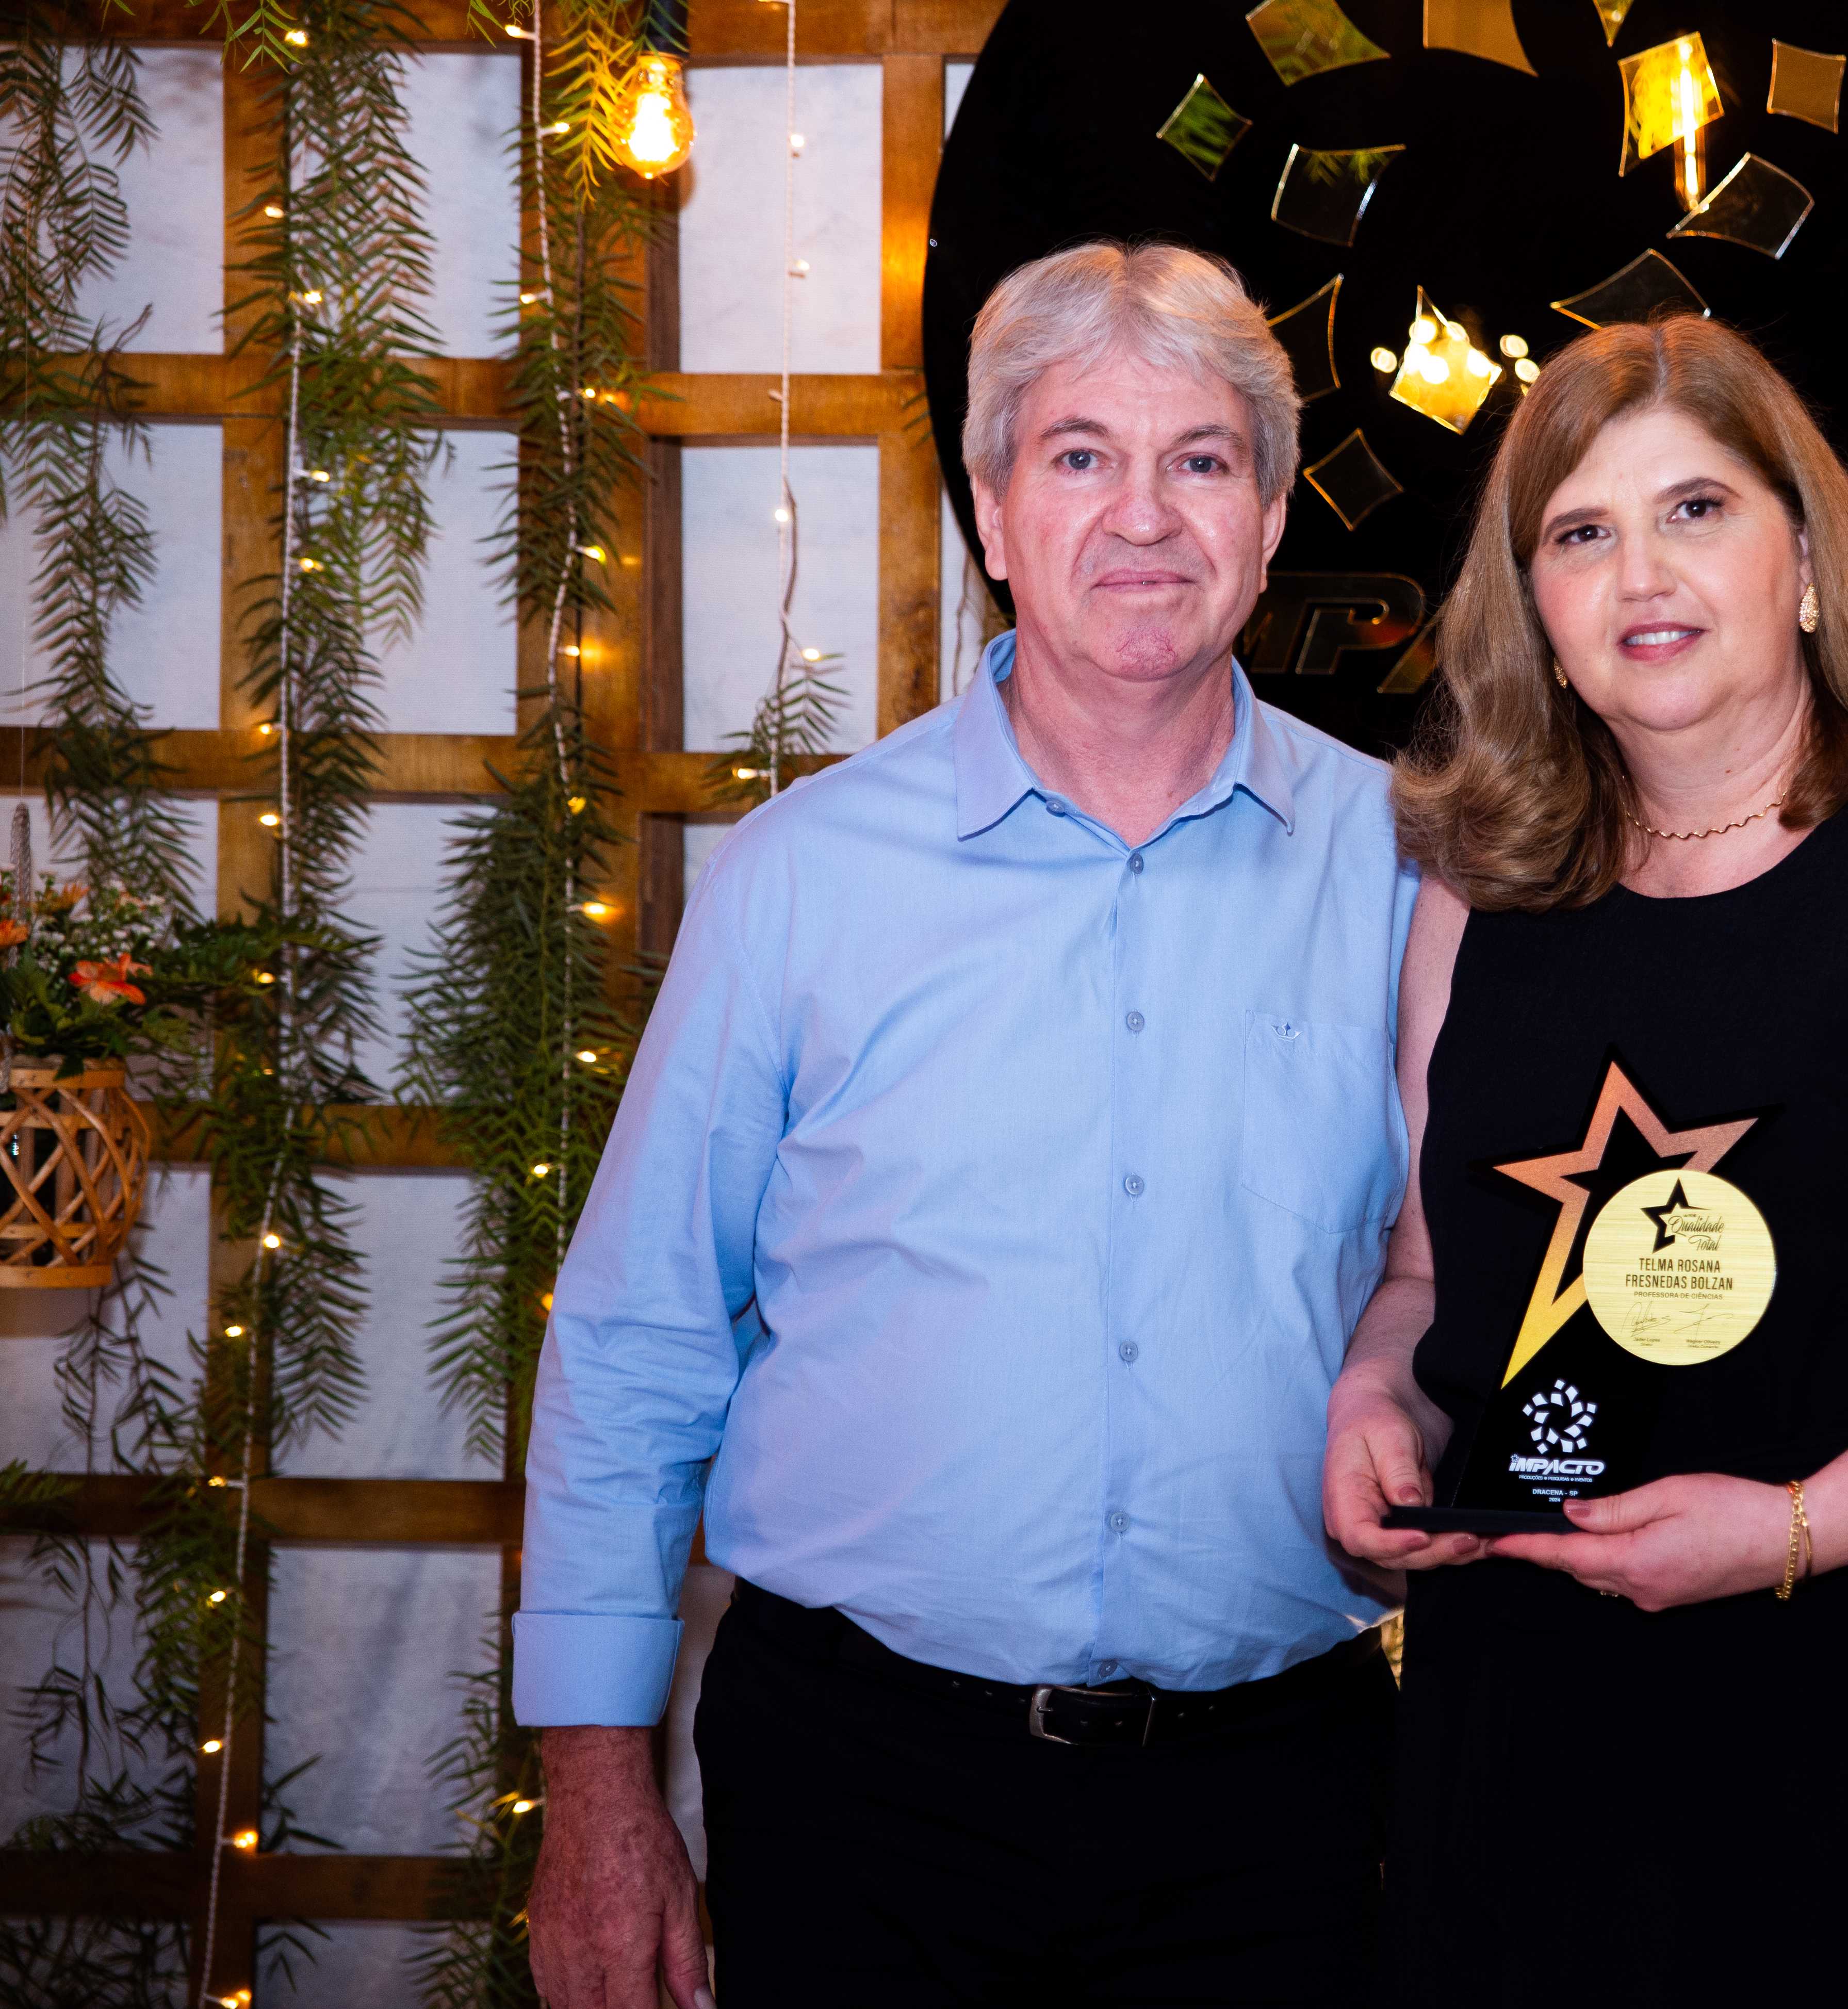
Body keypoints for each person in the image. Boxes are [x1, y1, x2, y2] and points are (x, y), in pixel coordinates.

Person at [516, 241, 1415, 2008]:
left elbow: (1464, 1281)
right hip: (861, 1791)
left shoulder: (1411, 873)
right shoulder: (799, 877)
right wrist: (599, 1797)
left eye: (1200, 459)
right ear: (994, 514)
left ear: (1268, 517)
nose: (1143, 515)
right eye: (1080, 456)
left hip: (1284, 1803)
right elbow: (637, 1343)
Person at [1322, 316, 1848, 2002]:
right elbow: (1435, 1271)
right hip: (1510, 1749)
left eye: (1696, 509)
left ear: (1802, 559)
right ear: (1535, 608)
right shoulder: (1473, 895)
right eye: (1580, 532)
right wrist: (1379, 1400)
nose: (1640, 572)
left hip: (1841, 1731)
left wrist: (1790, 1528)